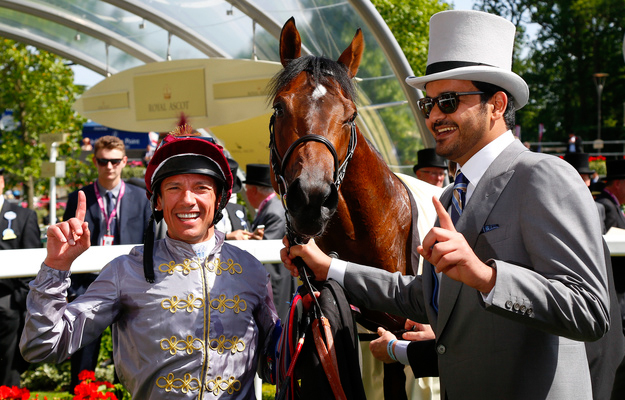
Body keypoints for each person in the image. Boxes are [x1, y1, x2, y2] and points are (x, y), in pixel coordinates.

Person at [281, 10, 615, 400]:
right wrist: (330, 267)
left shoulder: (542, 176)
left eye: (450, 101)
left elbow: (591, 310)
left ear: (497, 104)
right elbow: (427, 299)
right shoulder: (451, 196)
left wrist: (486, 276)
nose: (435, 115)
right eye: (430, 104)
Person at [20, 125, 280, 399]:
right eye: (174, 187)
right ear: (157, 200)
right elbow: (41, 345)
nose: (187, 200)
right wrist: (56, 268)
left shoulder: (251, 269)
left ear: (219, 200)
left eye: (201, 188)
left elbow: (276, 362)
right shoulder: (125, 271)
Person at [63, 135, 152, 391]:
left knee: (129, 358)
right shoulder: (78, 198)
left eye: (114, 161)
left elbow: (149, 243)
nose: (109, 167)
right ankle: (80, 395)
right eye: (103, 161)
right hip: (87, 287)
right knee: (83, 359)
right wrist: (72, 290)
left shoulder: (140, 197)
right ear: (95, 162)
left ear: (124, 161)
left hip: (129, 286)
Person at [0, 168, 41, 386]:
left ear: (2, 181)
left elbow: (31, 263)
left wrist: (22, 302)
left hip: (8, 304)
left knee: (8, 368)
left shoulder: (24, 216)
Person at [244, 163, 295, 322]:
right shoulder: (271, 208)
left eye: (247, 190)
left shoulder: (273, 211)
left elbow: (267, 248)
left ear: (253, 190)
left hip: (275, 283)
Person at [215, 157, 252, 240]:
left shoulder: (238, 209)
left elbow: (247, 232)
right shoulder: (201, 209)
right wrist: (226, 237)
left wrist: (253, 237)